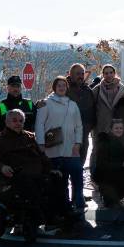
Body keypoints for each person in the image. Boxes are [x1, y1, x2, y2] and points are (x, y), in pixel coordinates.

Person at [0, 109, 73, 226]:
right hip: (15, 176)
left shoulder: (29, 137)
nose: (18, 123)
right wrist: (2, 167)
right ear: (7, 122)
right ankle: (47, 218)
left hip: (36, 174)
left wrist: (50, 169)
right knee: (31, 185)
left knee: (58, 179)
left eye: (21, 121)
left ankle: (64, 212)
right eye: (14, 121)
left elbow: (42, 157)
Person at [35, 76, 85, 213]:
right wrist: (40, 143)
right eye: (59, 85)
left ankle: (79, 202)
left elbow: (79, 126)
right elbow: (39, 124)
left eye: (64, 85)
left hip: (71, 149)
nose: (62, 87)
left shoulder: (73, 104)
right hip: (53, 150)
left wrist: (78, 143)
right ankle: (64, 207)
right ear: (54, 88)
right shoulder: (46, 103)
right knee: (60, 182)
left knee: (78, 176)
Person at [92, 119, 124, 206]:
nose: (119, 130)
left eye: (121, 128)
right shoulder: (104, 143)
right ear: (111, 129)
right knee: (112, 203)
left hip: (120, 176)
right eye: (116, 128)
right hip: (106, 178)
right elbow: (101, 165)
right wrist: (121, 164)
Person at [65, 64, 96, 165]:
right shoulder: (64, 89)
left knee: (80, 165)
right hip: (67, 135)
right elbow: (51, 100)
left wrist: (89, 126)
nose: (81, 76)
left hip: (83, 135)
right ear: (71, 74)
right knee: (66, 165)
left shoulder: (88, 91)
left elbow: (93, 110)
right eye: (78, 73)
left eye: (82, 73)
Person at [92, 64, 124, 136]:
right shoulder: (97, 89)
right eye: (106, 73)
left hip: (118, 126)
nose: (109, 75)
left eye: (111, 72)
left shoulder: (123, 89)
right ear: (103, 75)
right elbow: (92, 106)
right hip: (101, 126)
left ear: (114, 73)